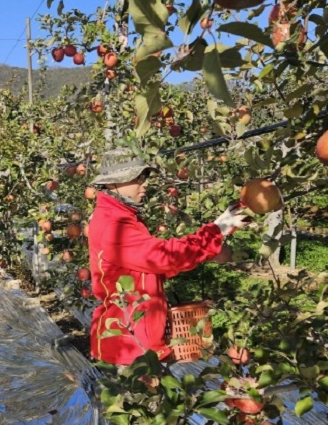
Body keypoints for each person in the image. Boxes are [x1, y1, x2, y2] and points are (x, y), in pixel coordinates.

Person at [88, 147, 247, 367]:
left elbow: (151, 267)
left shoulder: (123, 217)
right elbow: (162, 258)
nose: (144, 184)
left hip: (137, 341)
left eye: (144, 177)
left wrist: (205, 251)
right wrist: (215, 231)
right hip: (129, 348)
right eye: (135, 178)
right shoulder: (114, 226)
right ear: (112, 184)